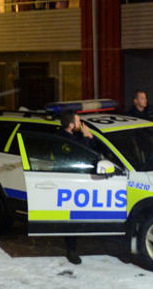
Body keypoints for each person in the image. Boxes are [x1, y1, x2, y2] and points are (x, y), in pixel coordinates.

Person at [57, 111, 95, 265]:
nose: (81, 124)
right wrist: (86, 137)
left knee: (78, 217)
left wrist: (89, 137)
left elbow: (91, 150)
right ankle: (71, 250)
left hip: (81, 180)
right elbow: (79, 153)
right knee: (72, 217)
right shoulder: (63, 140)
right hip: (69, 182)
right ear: (71, 125)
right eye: (78, 122)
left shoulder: (74, 136)